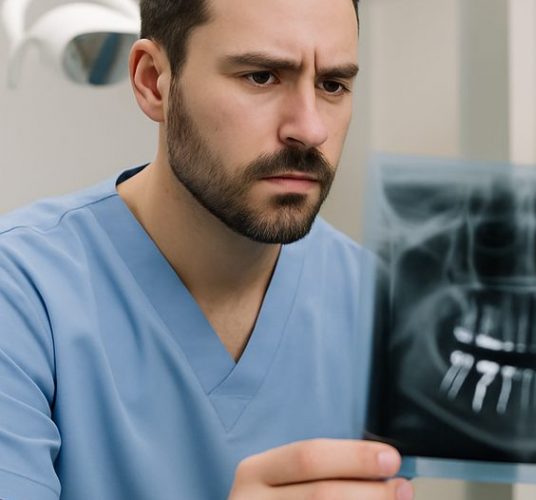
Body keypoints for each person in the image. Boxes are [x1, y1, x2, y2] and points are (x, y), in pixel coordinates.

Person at [0, 0, 413, 498]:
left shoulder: (382, 305)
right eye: (261, 77)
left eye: (332, 85)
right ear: (154, 82)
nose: (310, 130)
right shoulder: (21, 294)